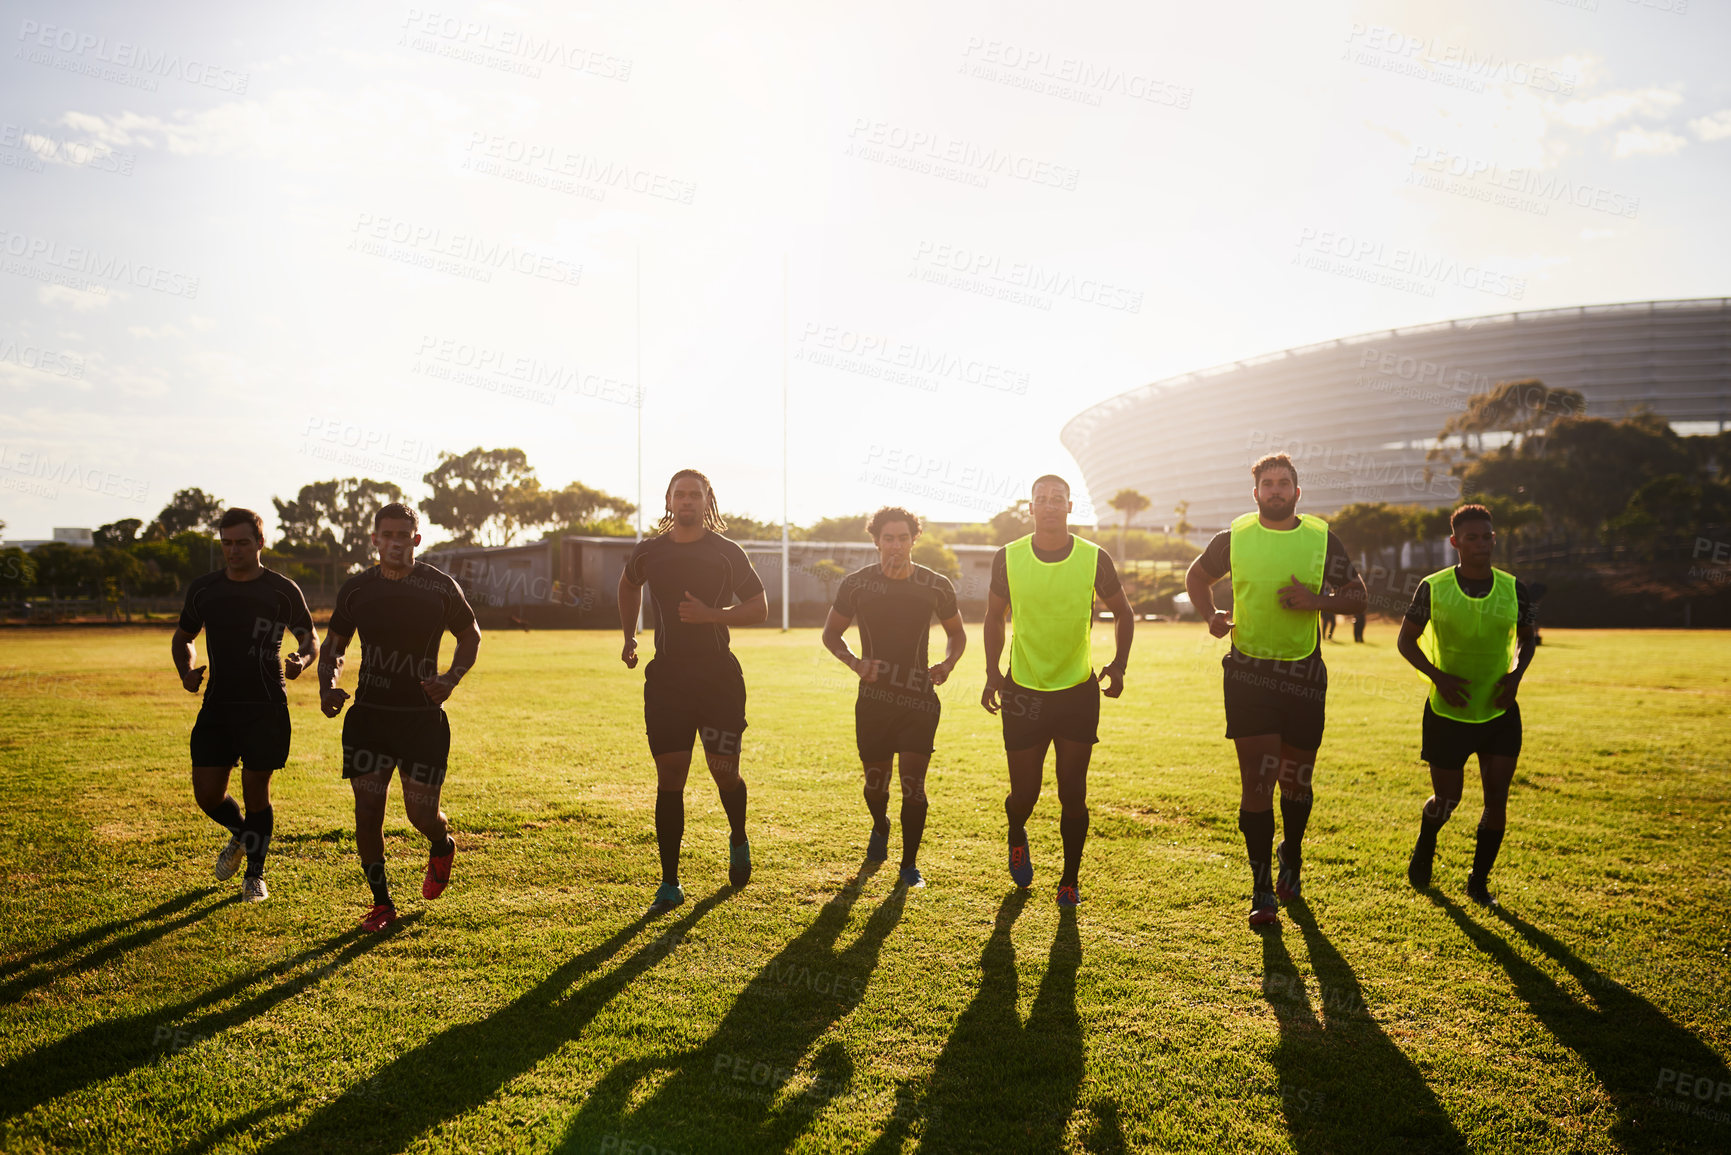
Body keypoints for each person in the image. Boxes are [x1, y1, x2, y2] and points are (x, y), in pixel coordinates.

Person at [1184, 453, 1366, 929]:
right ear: (1256, 493)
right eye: (1268, 484)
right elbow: (1196, 577)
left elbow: (1358, 594)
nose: (1277, 490)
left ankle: (1293, 852)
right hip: (1247, 673)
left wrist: (1317, 601)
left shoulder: (1322, 537)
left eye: (1284, 483)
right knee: (1259, 783)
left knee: (1296, 781)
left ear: (1297, 493)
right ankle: (1262, 888)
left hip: (1303, 674)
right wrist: (1211, 616)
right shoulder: (1235, 536)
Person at [319, 503, 480, 932]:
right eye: (386, 534)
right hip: (369, 717)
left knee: (421, 815)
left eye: (402, 534)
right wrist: (327, 683)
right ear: (374, 540)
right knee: (368, 812)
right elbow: (334, 643)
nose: (394, 541)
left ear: (416, 539)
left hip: (421, 719)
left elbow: (471, 634)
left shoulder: (439, 587)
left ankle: (442, 845)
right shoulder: (357, 590)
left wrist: (452, 678)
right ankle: (381, 904)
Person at [981, 475, 1135, 908]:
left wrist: (1119, 665)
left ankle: (1070, 879)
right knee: (1024, 794)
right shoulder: (1007, 557)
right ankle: (1017, 833)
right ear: (1030, 508)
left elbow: (1124, 612)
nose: (1049, 505)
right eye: (1041, 499)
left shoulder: (1094, 558)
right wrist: (992, 672)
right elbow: (994, 616)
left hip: (1076, 693)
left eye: (1058, 499)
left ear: (1070, 507)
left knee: (1073, 791)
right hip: (1023, 691)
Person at [618, 469, 768, 914]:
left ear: (707, 502)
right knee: (670, 780)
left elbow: (759, 607)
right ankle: (669, 882)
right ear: (668, 500)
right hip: (667, 681)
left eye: (695, 495)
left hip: (719, 680)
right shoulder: (648, 553)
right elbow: (627, 585)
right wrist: (629, 636)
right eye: (679, 494)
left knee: (724, 772)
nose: (686, 501)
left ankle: (738, 838)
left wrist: (712, 614)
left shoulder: (726, 553)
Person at [171, 508, 317, 903]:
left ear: (260, 543)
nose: (233, 550)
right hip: (218, 705)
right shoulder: (205, 589)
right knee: (207, 794)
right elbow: (183, 637)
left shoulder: (281, 590)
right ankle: (241, 834)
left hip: (265, 705)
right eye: (227, 543)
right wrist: (186, 670)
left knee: (257, 790)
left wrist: (301, 661)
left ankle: (255, 875)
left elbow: (309, 639)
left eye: (242, 543)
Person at [1397, 504, 1537, 907]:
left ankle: (1478, 883)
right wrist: (1439, 677)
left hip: (1499, 712)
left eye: (1487, 536)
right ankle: (1426, 844)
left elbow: (1528, 638)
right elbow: (1406, 641)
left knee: (1497, 799)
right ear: (1456, 542)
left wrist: (1515, 677)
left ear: (1495, 539)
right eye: (1471, 537)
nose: (1481, 543)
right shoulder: (1433, 587)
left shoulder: (1514, 588)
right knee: (1446, 800)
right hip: (1447, 714)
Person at [821, 507, 966, 887]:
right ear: (876, 540)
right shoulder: (856, 584)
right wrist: (854, 663)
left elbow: (957, 634)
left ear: (914, 539)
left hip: (919, 698)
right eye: (888, 538)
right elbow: (830, 634)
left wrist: (948, 663)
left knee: (913, 785)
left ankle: (909, 866)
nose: (896, 545)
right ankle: (880, 824)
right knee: (875, 785)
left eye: (903, 537)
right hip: (873, 701)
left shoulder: (935, 585)